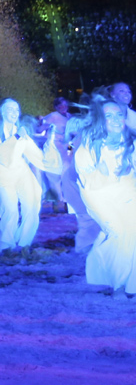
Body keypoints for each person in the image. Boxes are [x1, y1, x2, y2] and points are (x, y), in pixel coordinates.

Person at [73, 95, 136, 296]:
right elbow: (87, 180)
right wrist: (100, 172)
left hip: (126, 191)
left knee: (131, 233)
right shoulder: (89, 145)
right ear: (100, 119)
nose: (116, 119)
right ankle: (117, 286)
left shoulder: (131, 144)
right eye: (109, 116)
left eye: (119, 115)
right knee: (118, 232)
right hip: (97, 194)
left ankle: (129, 284)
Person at [0, 98, 46, 259]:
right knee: (11, 210)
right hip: (4, 174)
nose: (14, 113)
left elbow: (33, 152)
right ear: (2, 111)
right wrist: (16, 137)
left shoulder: (20, 130)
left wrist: (49, 159)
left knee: (32, 201)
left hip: (21, 170)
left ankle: (25, 242)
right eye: (10, 109)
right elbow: (1, 154)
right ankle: (5, 245)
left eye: (17, 110)